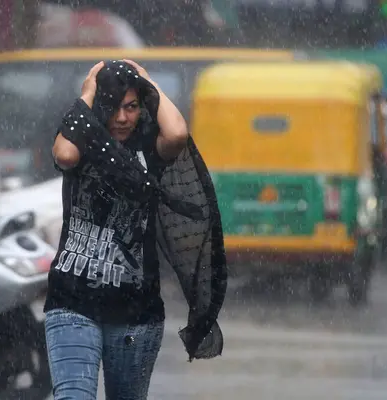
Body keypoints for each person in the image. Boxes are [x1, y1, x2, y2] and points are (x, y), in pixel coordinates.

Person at [44, 60, 227, 399]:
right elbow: (65, 154)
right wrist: (88, 91)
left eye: (131, 107)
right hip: (72, 300)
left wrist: (145, 78)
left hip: (135, 313)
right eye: (112, 107)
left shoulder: (148, 148)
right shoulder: (81, 139)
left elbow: (176, 134)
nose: (122, 118)